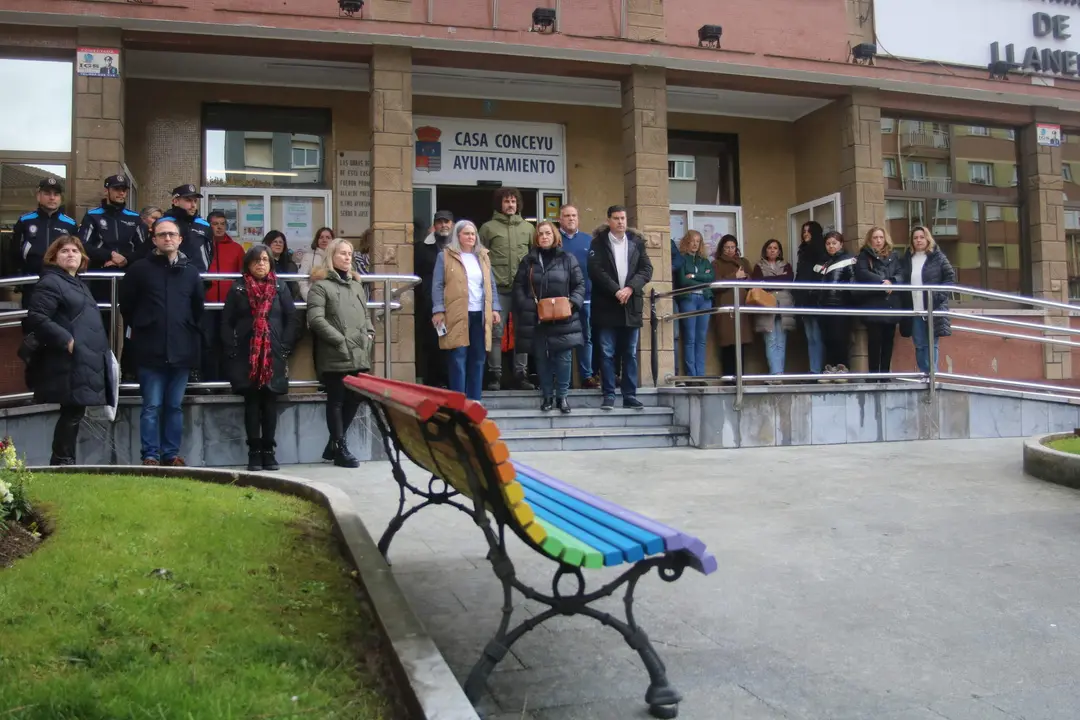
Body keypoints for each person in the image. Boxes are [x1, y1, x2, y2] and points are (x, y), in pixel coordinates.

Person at [120, 218, 205, 466]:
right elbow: (127, 305)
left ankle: (170, 454)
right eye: (162, 234)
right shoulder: (139, 269)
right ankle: (150, 454)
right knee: (152, 405)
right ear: (154, 239)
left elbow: (197, 308)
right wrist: (145, 324)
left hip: (181, 348)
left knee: (174, 406)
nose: (168, 238)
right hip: (150, 348)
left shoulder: (191, 272)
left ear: (180, 239)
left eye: (172, 234)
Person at [24, 236, 110, 466]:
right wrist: (67, 340)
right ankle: (62, 461)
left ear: (82, 257)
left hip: (82, 358)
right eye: (64, 251)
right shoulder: (51, 282)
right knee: (72, 411)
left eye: (75, 251)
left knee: (75, 411)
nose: (71, 254)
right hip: (68, 359)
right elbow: (37, 317)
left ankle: (65, 460)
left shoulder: (78, 283)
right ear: (54, 257)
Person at [221, 244, 298, 471]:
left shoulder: (280, 287)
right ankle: (254, 451)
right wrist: (232, 347)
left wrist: (284, 346)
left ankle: (269, 451)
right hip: (247, 355)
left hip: (273, 354)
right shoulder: (238, 288)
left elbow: (292, 319)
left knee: (270, 402)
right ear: (248, 264)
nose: (261, 264)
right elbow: (226, 322)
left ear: (271, 263)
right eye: (256, 260)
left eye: (265, 260)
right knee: (252, 403)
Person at [306, 238, 376, 469]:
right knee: (336, 399)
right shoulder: (321, 286)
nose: (347, 257)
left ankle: (334, 444)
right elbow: (316, 319)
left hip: (358, 351)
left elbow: (365, 316)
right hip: (335, 351)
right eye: (342, 253)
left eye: (350, 253)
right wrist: (339, 340)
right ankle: (340, 449)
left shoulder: (356, 286)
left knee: (355, 398)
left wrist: (369, 335)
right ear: (331, 256)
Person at [512, 220, 585, 413]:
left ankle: (562, 397)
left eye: (548, 233)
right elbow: (518, 287)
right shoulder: (528, 261)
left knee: (563, 358)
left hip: (563, 317)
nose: (544, 237)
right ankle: (547, 396)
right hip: (537, 318)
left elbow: (579, 284)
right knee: (542, 358)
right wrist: (526, 305)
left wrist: (572, 303)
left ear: (555, 236)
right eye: (541, 234)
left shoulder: (568, 258)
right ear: (536, 238)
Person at [588, 205, 653, 410]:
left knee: (630, 353)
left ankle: (629, 395)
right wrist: (616, 290)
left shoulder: (636, 243)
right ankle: (609, 394)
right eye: (616, 218)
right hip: (606, 305)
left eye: (623, 218)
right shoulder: (598, 243)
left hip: (631, 305)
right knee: (607, 352)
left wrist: (630, 288)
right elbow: (595, 271)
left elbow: (646, 269)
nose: (620, 222)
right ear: (609, 221)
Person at [432, 220, 502, 402]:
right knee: (458, 357)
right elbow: (437, 285)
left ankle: (474, 400)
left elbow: (491, 284)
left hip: (480, 312)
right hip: (457, 313)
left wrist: (495, 308)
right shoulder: (445, 256)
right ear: (458, 236)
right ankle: (459, 401)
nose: (471, 237)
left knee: (478, 357)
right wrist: (438, 309)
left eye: (473, 234)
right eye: (466, 234)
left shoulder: (483, 256)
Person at [479, 187, 535, 391]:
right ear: (499, 204)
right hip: (498, 290)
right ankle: (495, 376)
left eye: (513, 201)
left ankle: (521, 375)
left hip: (522, 290)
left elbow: (534, 258)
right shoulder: (487, 228)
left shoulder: (528, 228)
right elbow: (480, 258)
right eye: (506, 201)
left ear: (518, 204)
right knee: (496, 332)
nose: (510, 205)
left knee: (522, 332)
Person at [9, 178, 78, 308]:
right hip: (32, 281)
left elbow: (77, 253)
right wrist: (18, 277)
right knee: (31, 317)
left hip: (61, 282)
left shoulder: (70, 224)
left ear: (60, 198)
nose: (52, 198)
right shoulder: (25, 221)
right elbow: (14, 252)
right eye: (47, 194)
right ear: (38, 196)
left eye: (56, 194)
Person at [899, 226, 956, 374]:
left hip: (932, 308)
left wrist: (938, 296)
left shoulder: (938, 257)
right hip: (914, 309)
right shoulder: (907, 259)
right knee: (919, 345)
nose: (918, 240)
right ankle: (924, 374)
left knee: (932, 344)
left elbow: (950, 278)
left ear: (928, 239)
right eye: (915, 238)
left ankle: (932, 375)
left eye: (921, 237)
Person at [203, 210, 245, 388]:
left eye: (222, 224)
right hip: (207, 304)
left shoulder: (236, 248)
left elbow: (243, 276)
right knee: (209, 343)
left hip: (229, 305)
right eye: (215, 224)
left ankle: (228, 382)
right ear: (208, 226)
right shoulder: (203, 247)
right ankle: (209, 384)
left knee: (228, 343)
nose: (219, 227)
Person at [559, 204, 599, 389]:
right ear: (560, 219)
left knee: (586, 337)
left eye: (574, 215)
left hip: (587, 298)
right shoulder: (555, 240)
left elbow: (596, 268)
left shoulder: (588, 240)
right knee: (563, 340)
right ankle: (563, 380)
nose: (571, 219)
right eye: (567, 216)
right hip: (562, 299)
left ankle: (586, 377)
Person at [855, 226, 903, 381]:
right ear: (870, 239)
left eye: (881, 237)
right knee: (874, 341)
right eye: (875, 238)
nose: (878, 240)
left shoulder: (894, 255)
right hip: (873, 304)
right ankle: (873, 374)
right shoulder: (864, 255)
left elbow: (901, 273)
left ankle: (885, 375)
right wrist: (882, 282)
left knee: (888, 341)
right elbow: (862, 273)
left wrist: (892, 282)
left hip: (890, 304)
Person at [414, 210, 454, 387]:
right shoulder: (422, 248)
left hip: (454, 302)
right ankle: (433, 381)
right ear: (434, 225)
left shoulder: (459, 247)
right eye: (440, 222)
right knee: (432, 343)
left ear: (452, 225)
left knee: (452, 343)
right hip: (429, 303)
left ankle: (450, 381)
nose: (443, 225)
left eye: (447, 222)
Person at [813, 231, 856, 381]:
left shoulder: (848, 259)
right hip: (823, 306)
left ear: (841, 244)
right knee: (827, 338)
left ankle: (842, 368)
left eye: (834, 243)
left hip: (841, 305)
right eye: (828, 243)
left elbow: (853, 283)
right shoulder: (821, 262)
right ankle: (830, 368)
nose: (831, 246)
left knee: (840, 338)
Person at [751, 239, 795, 382]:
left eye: (775, 248)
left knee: (781, 341)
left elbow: (788, 280)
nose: (772, 250)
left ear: (779, 251)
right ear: (765, 250)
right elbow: (758, 283)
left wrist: (768, 280)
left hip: (784, 305)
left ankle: (778, 375)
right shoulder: (758, 266)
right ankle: (775, 373)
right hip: (766, 305)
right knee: (770, 340)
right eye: (769, 247)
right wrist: (778, 280)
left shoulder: (786, 265)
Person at [673, 230, 714, 378]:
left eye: (698, 241)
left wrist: (694, 276)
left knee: (701, 339)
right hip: (688, 298)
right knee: (690, 338)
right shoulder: (682, 259)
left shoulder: (705, 261)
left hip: (705, 299)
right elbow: (683, 281)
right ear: (686, 242)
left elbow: (711, 277)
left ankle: (700, 375)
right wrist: (702, 279)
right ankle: (692, 376)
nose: (695, 244)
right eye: (692, 241)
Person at [712, 235, 753, 381]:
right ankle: (729, 380)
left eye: (732, 247)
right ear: (722, 248)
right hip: (726, 308)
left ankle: (740, 379)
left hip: (742, 307)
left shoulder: (744, 262)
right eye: (727, 247)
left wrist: (745, 277)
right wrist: (735, 276)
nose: (730, 250)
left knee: (741, 345)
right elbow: (716, 285)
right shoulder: (716, 263)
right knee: (727, 345)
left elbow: (752, 282)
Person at [795, 221, 826, 376]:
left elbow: (819, 275)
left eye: (809, 231)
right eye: (804, 231)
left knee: (817, 335)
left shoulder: (821, 251)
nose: (806, 234)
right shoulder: (802, 250)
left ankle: (817, 370)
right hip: (803, 297)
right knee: (810, 336)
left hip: (815, 298)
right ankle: (814, 369)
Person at [160, 184, 212, 272]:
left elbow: (210, 252)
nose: (193, 205)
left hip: (199, 276)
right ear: (175, 201)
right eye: (188, 200)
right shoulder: (162, 224)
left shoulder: (204, 225)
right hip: (169, 275)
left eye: (195, 201)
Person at [297, 226, 334, 301]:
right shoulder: (308, 256)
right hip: (314, 298)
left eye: (328, 237)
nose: (324, 240)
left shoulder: (336, 257)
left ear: (333, 240)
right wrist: (310, 298)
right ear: (317, 240)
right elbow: (302, 281)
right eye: (321, 237)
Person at [264, 230, 301, 298]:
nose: (278, 244)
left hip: (288, 298)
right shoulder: (262, 263)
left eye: (281, 242)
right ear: (268, 244)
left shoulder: (290, 264)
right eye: (275, 241)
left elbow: (294, 286)